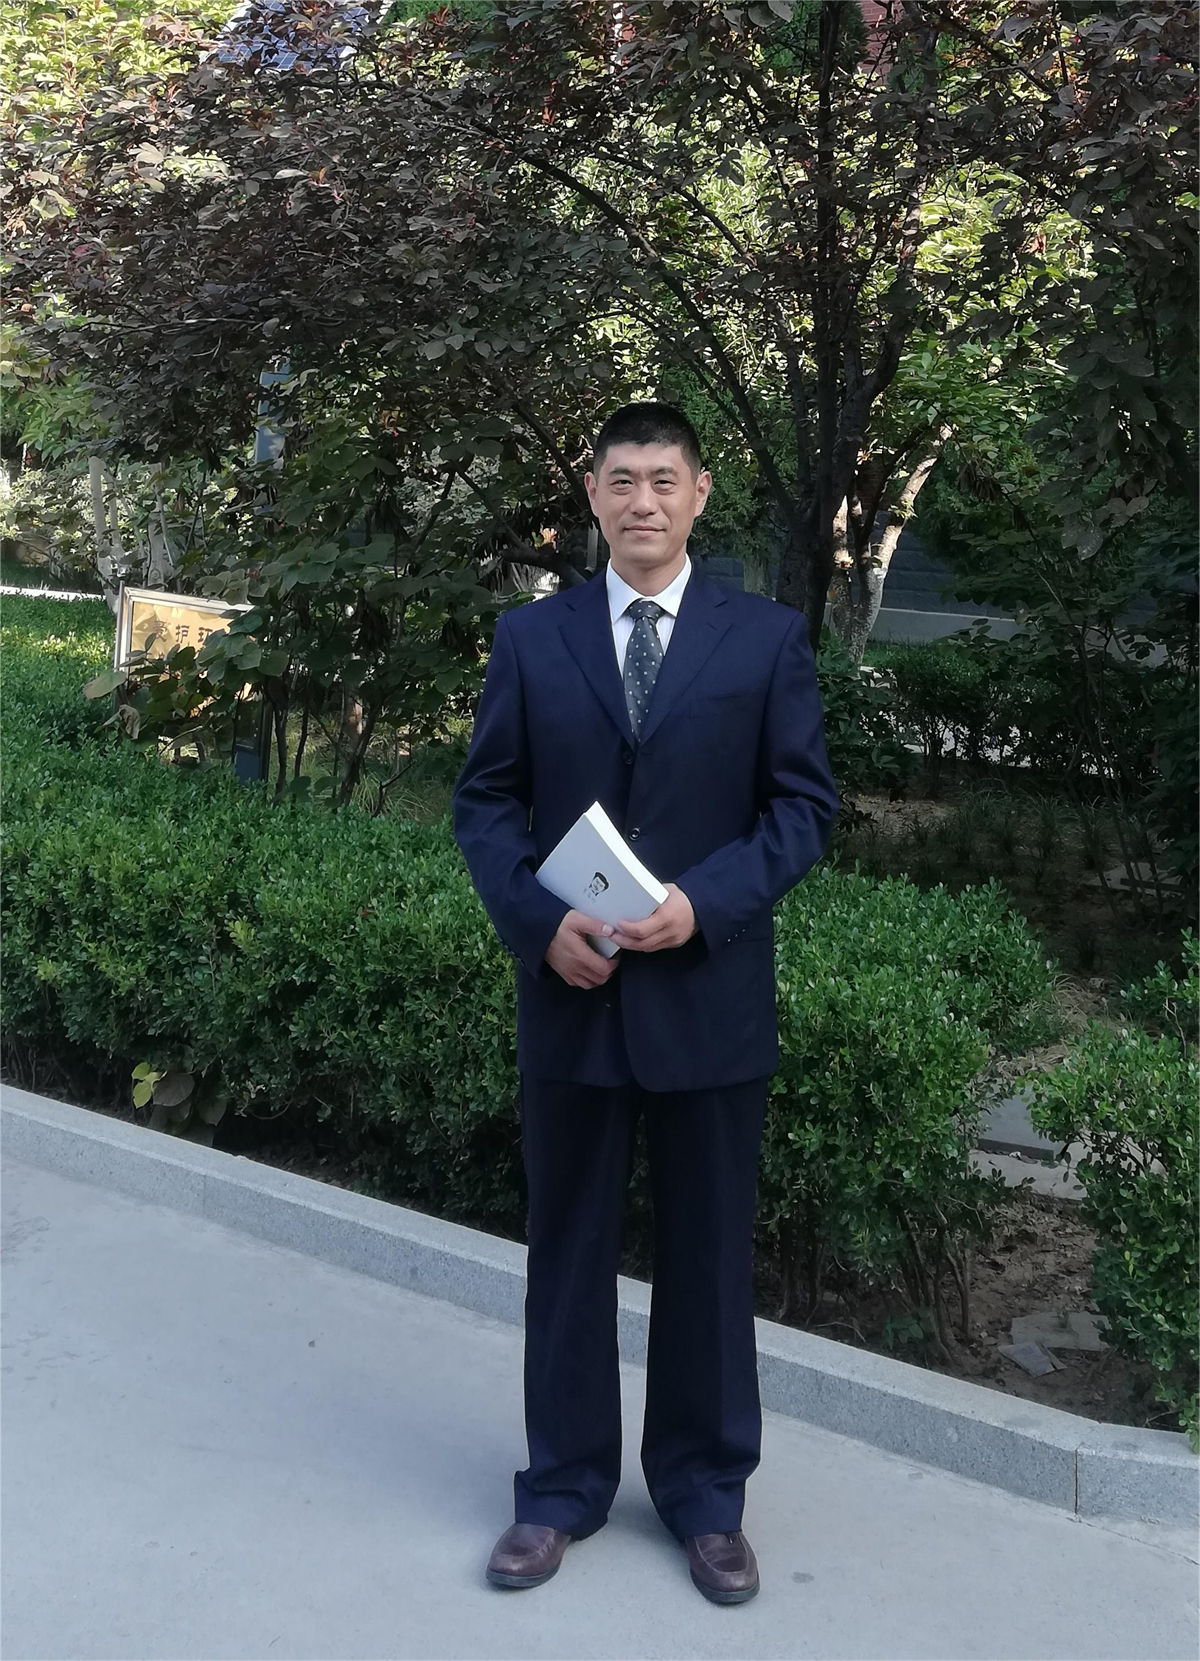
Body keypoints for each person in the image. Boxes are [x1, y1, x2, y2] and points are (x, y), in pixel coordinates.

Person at [451, 402, 839, 1604]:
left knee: (709, 1262)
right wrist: (538, 923)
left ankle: (706, 1495)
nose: (643, 502)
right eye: (621, 480)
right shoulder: (533, 637)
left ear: (700, 493)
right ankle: (561, 1486)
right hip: (573, 997)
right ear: (593, 494)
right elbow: (486, 802)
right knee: (566, 1252)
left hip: (708, 997)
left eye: (664, 480)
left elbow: (802, 808)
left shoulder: (765, 639)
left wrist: (700, 902)